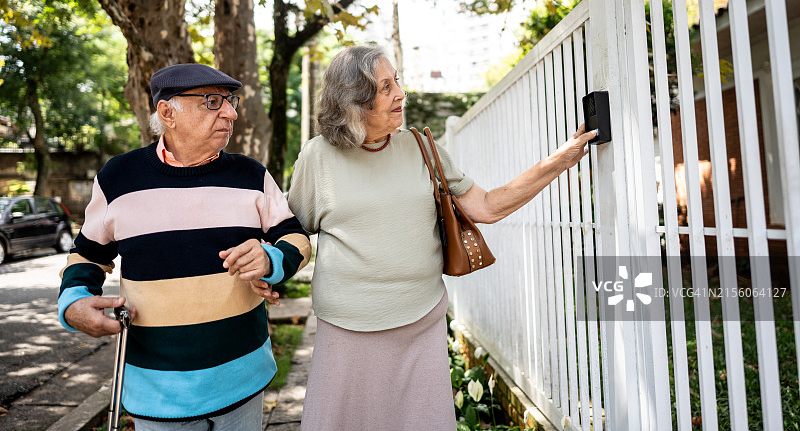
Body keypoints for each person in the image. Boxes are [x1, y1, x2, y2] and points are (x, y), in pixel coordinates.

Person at [249, 45, 597, 430]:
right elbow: (290, 229)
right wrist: (266, 264)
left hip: (421, 323)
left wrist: (558, 161)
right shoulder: (318, 157)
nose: (400, 93)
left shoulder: (420, 148)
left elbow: (489, 206)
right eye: (385, 87)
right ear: (354, 100)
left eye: (396, 81)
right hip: (347, 329)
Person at [57, 64, 311, 431]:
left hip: (244, 382)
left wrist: (271, 257)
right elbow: (87, 255)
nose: (231, 112)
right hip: (157, 393)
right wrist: (73, 302)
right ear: (167, 113)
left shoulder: (252, 175)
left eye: (230, 101)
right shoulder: (118, 178)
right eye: (212, 102)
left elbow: (297, 239)